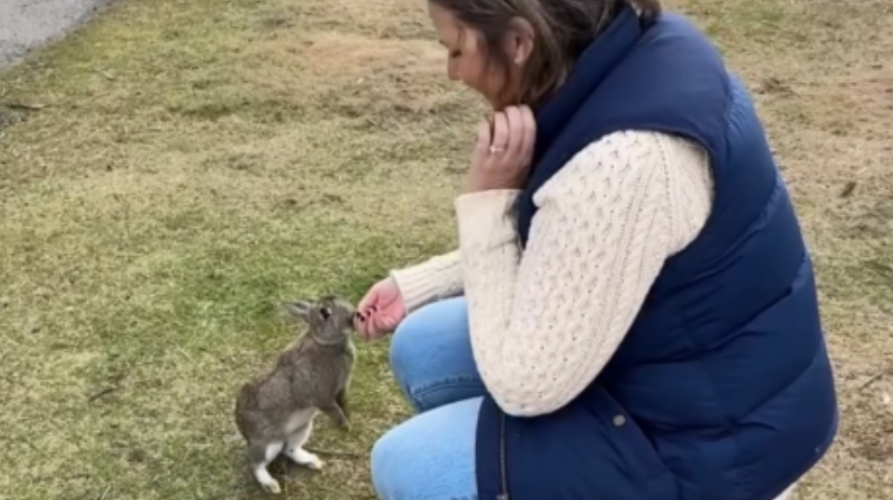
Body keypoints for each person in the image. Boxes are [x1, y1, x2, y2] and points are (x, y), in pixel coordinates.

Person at [353, 0, 839, 499]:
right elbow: (582, 241)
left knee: (410, 465)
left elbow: (524, 386)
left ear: (520, 43)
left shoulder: (625, 161)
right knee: (423, 344)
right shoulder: (628, 54)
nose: (452, 72)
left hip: (715, 449)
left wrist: (486, 202)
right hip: (683, 374)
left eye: (456, 49)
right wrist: (422, 286)